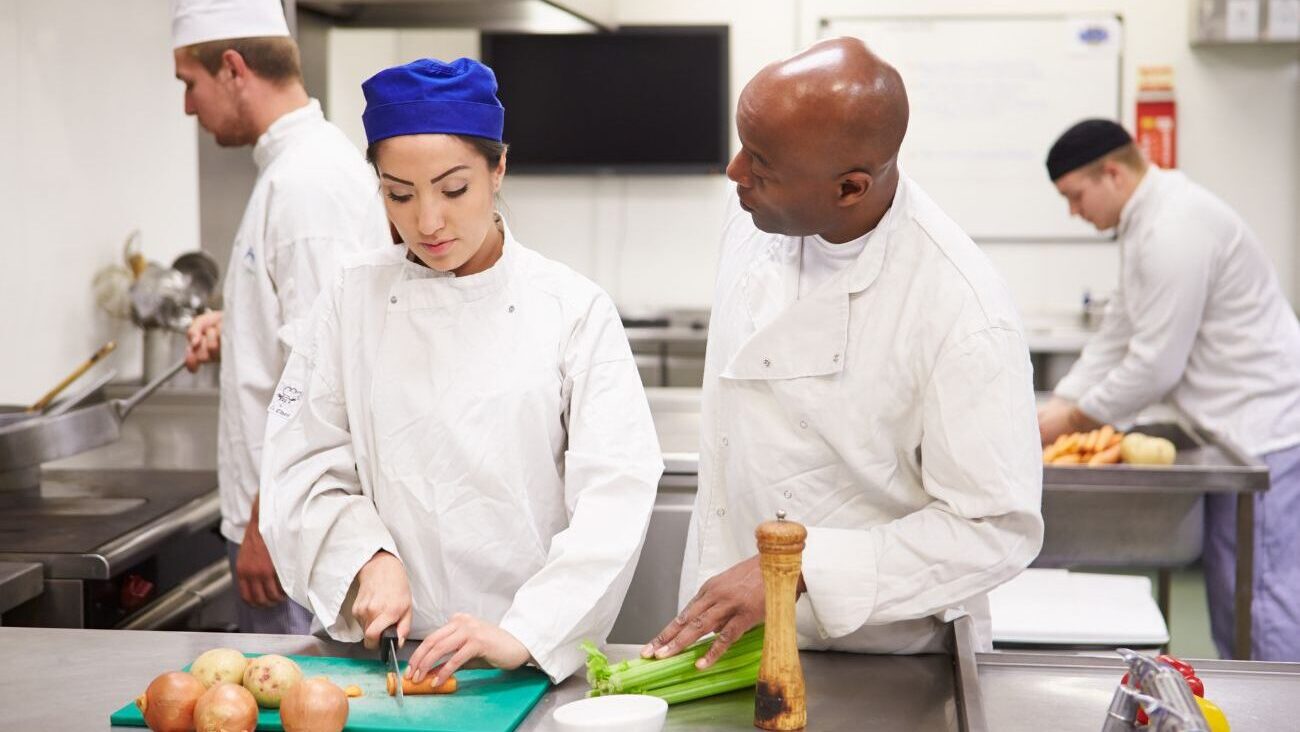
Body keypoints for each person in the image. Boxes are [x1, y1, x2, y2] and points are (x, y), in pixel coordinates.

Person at [259, 57, 663, 685]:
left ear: (498, 168)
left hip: (525, 662)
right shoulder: (350, 299)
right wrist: (367, 556)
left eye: (453, 190)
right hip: (381, 663)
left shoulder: (571, 309)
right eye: (398, 194)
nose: (427, 222)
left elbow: (616, 493)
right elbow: (302, 465)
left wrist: (524, 632)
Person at [641, 37, 1044, 667]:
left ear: (850, 189)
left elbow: (994, 529)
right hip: (730, 629)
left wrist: (798, 570)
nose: (734, 172)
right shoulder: (756, 210)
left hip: (878, 653)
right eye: (743, 146)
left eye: (761, 165)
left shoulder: (961, 311)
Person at [1037, 118, 1300, 661]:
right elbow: (1118, 334)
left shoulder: (1174, 225)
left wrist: (1068, 421)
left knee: (1262, 601)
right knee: (1238, 601)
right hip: (1236, 427)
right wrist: (1058, 403)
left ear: (1112, 173)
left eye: (1075, 196)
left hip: (1266, 430)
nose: (1075, 212)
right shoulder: (1146, 224)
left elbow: (1155, 367)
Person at [171, 0, 390, 633]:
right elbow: (306, 326)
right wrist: (236, 328)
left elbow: (322, 379)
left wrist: (267, 523)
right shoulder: (294, 173)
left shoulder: (306, 186)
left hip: (291, 533)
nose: (188, 107)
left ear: (234, 68)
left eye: (191, 83)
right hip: (283, 523)